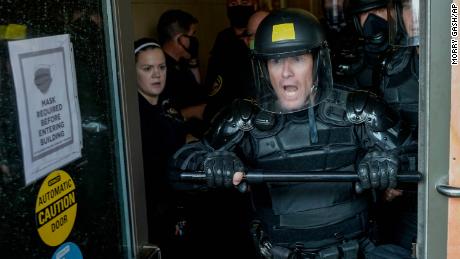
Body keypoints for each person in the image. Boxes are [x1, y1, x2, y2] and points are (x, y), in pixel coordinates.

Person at [170, 8, 415, 259]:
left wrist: (388, 161)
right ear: (264, 68)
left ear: (316, 62)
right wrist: (209, 162)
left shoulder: (358, 110)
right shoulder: (244, 119)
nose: (286, 72)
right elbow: (179, 168)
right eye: (276, 61)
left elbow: (419, 160)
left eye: (298, 58)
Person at [134, 38, 189, 257]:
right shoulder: (135, 115)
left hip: (175, 207)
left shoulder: (165, 100)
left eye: (161, 67)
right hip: (152, 215)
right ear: (132, 72)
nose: (157, 74)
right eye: (147, 68)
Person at [373, 0, 420, 251]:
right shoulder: (391, 69)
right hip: (407, 198)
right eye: (407, 6)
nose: (416, 16)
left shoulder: (454, 62)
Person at [204, 0, 259, 123]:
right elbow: (213, 80)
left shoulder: (261, 35)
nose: (239, 7)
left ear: (254, 5)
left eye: (244, 3)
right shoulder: (223, 38)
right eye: (233, 4)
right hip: (226, 114)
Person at [157, 9, 208, 137]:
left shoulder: (181, 63)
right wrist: (194, 111)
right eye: (192, 35)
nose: (194, 40)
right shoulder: (160, 70)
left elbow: (196, 89)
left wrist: (193, 60)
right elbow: (163, 115)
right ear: (180, 39)